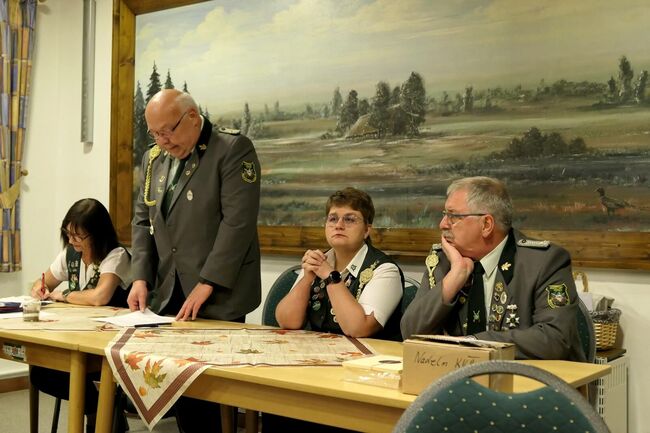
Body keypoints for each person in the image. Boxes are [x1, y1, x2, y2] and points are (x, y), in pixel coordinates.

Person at [128, 88, 261, 433]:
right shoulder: (154, 158)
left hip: (218, 294)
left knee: (209, 398)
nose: (162, 141)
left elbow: (238, 223)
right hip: (170, 290)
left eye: (167, 131)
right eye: (154, 133)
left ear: (191, 117)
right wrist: (140, 277)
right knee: (181, 396)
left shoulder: (231, 149)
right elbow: (143, 220)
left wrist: (209, 281)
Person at [401, 176, 586, 362]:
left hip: (530, 376)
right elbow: (410, 332)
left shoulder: (543, 262)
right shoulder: (445, 260)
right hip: (458, 375)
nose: (442, 224)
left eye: (453, 216)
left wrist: (474, 344)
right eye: (444, 214)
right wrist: (456, 275)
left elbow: (554, 338)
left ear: (486, 225)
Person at [266, 187, 404, 432]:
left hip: (365, 377)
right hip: (317, 365)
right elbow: (287, 321)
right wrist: (308, 277)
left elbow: (358, 328)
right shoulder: (320, 261)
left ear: (367, 230)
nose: (339, 225)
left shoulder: (384, 269)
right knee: (279, 402)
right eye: (333, 219)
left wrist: (330, 277)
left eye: (350, 219)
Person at [29, 198, 131, 433]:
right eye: (69, 234)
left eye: (78, 236)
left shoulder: (115, 255)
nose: (72, 240)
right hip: (77, 336)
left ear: (97, 234)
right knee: (41, 373)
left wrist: (64, 294)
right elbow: (43, 282)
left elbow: (99, 297)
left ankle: (101, 417)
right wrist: (39, 288)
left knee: (76, 376)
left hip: (108, 344)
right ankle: (99, 413)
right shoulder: (70, 254)